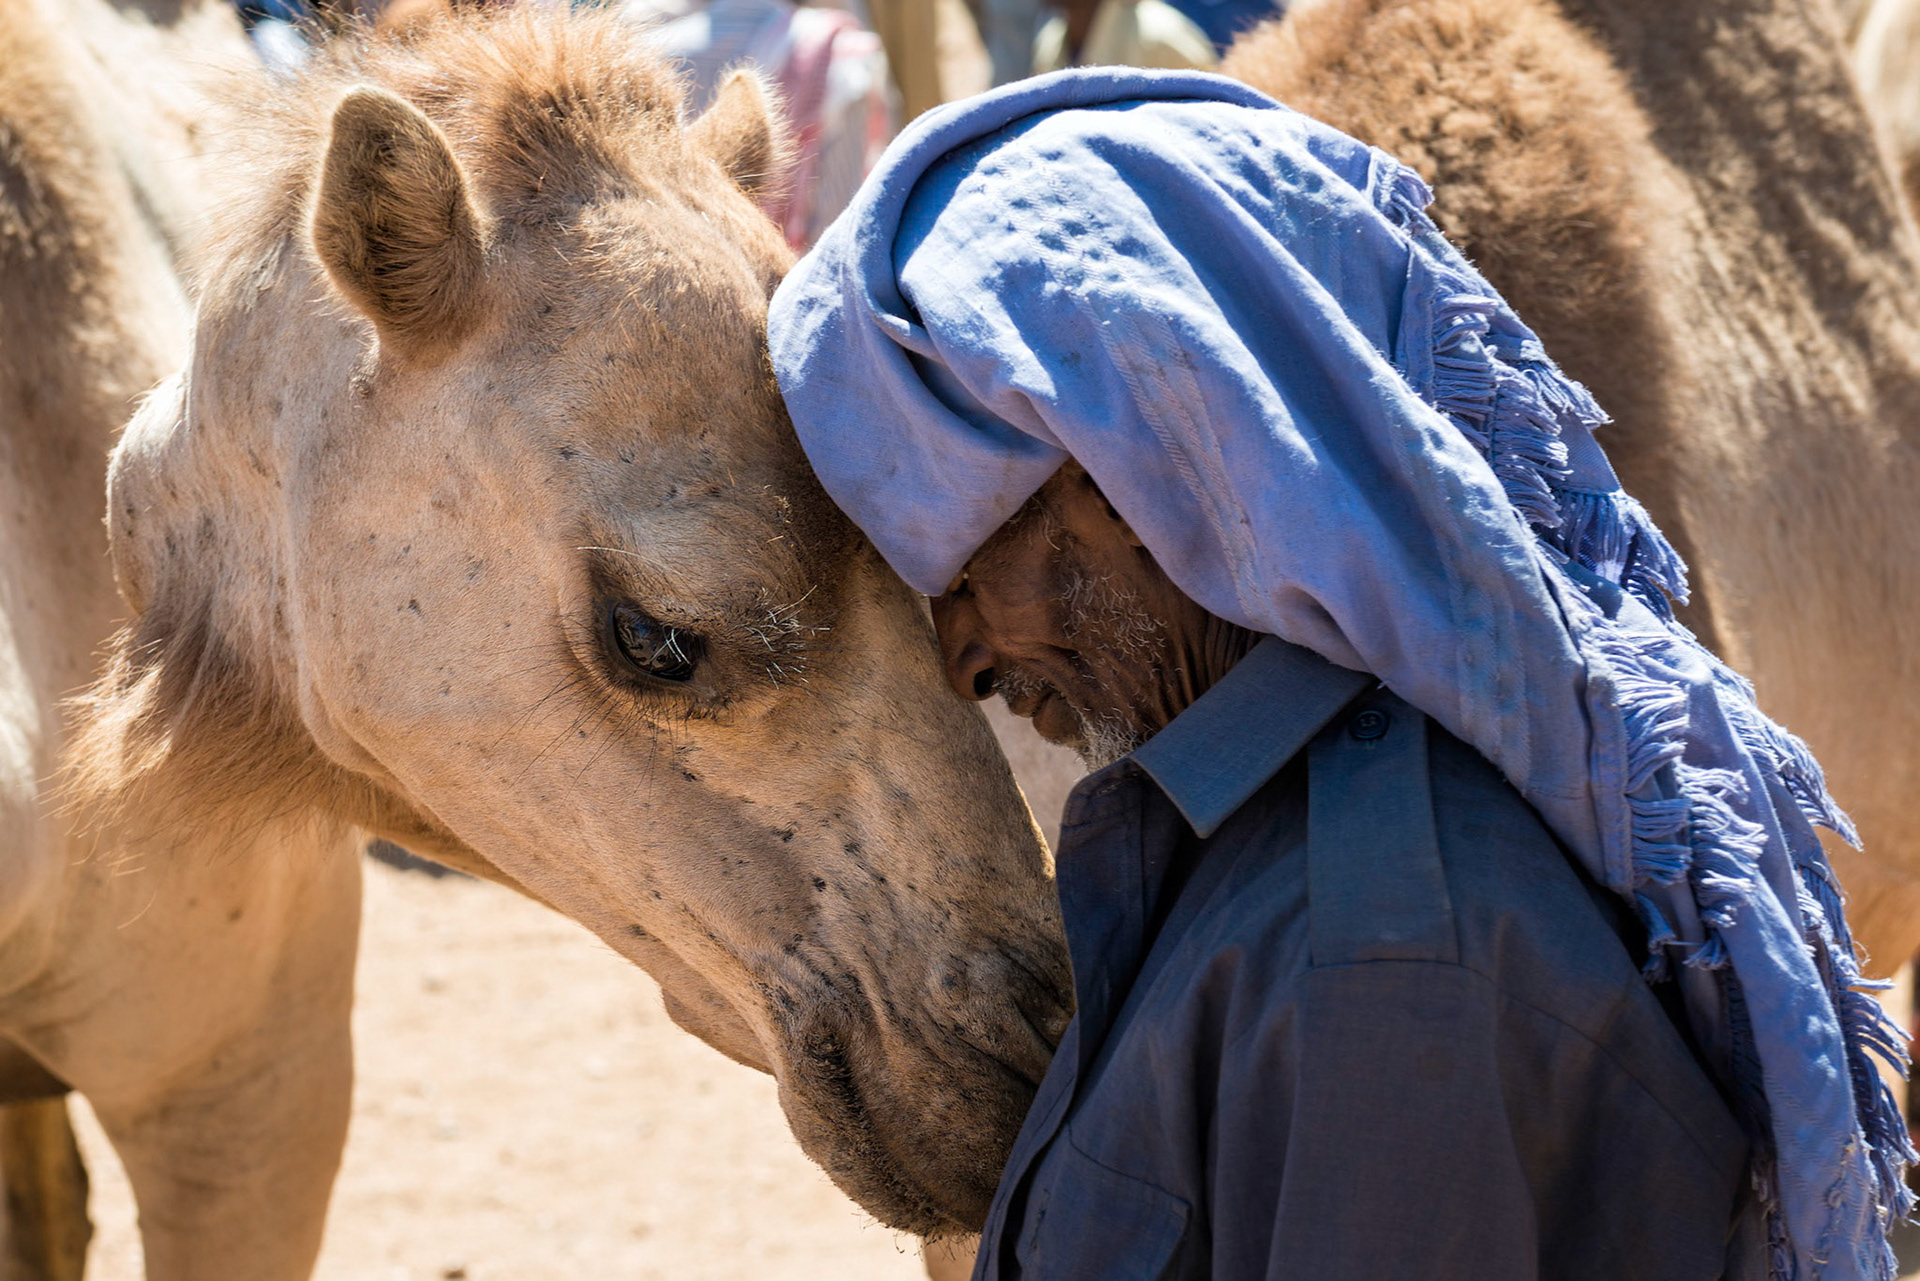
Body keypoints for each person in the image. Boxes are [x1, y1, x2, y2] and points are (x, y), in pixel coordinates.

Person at [767, 70, 1915, 1281]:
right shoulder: (1244, 860)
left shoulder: (1379, 971)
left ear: (1138, 483)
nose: (962, 660)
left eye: (964, 573)